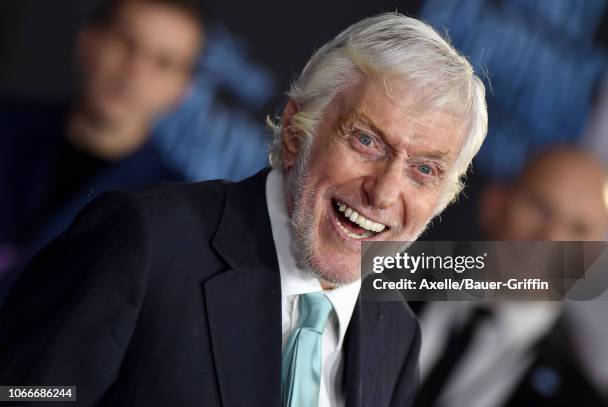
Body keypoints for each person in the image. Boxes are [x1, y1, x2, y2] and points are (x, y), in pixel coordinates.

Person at [0, 13, 488, 407]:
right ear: (298, 134)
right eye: (366, 141)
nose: (383, 193)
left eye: (425, 170)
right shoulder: (149, 240)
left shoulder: (395, 337)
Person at [0, 0, 205, 297]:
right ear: (87, 40)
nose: (133, 71)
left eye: (163, 63)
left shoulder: (170, 209)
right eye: (126, 43)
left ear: (182, 90)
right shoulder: (6, 124)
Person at [415, 147, 608, 407]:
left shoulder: (581, 398)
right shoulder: (375, 285)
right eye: (540, 208)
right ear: (494, 203)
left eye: (578, 229)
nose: (549, 238)